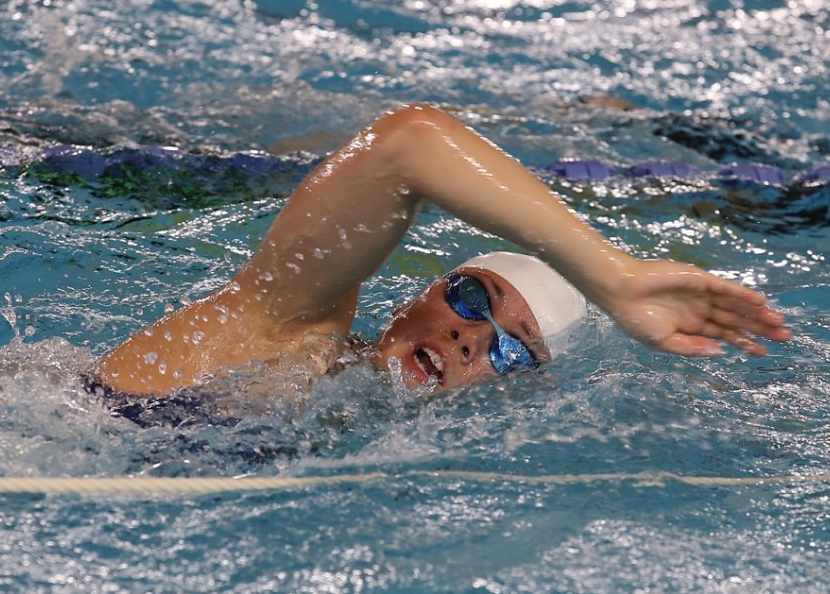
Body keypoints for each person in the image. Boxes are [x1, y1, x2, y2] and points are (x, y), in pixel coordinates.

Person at [95, 104, 792, 398]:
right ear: (423, 291)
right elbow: (409, 143)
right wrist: (614, 277)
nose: (468, 340)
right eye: (470, 299)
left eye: (511, 350)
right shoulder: (286, 328)